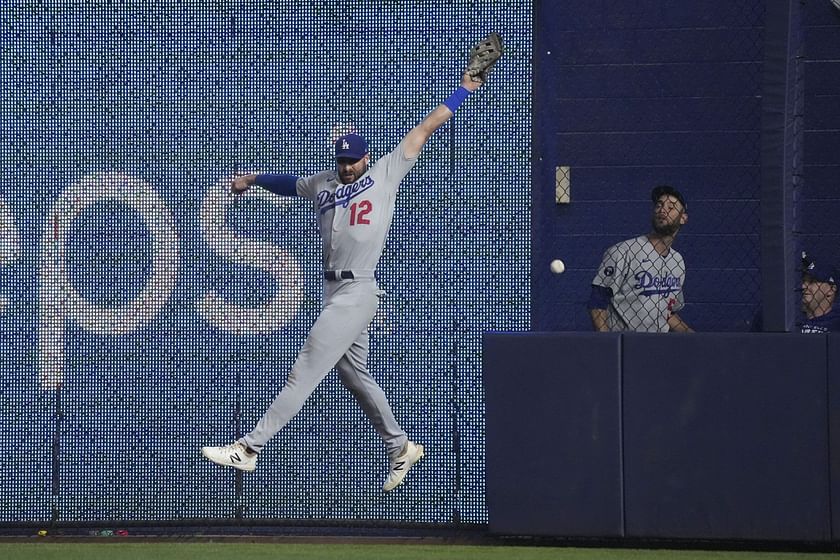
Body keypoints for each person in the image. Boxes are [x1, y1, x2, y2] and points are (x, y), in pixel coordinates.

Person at [200, 53, 496, 492]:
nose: (346, 165)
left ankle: (250, 447)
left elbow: (423, 131)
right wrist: (254, 178)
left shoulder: (383, 173)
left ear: (366, 156)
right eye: (342, 159)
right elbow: (292, 183)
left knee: (307, 365)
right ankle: (399, 446)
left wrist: (465, 88)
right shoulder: (324, 183)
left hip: (359, 289)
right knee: (352, 373)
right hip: (331, 290)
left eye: (353, 159)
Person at [588, 185, 693, 333]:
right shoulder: (623, 251)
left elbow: (668, 312)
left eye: (671, 207)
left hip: (659, 345)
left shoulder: (677, 261)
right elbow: (597, 301)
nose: (662, 210)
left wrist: (692, 336)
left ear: (683, 218)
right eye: (659, 205)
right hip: (626, 343)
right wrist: (608, 343)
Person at [800, 253, 840, 332]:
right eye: (803, 280)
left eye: (812, 281)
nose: (803, 286)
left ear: (831, 290)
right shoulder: (791, 320)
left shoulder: (836, 325)